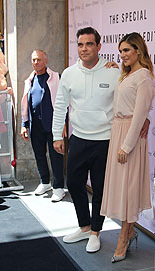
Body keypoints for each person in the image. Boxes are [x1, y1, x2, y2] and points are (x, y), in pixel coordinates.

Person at [52, 27, 150, 253]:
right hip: (78, 137)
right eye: (80, 44)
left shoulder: (115, 71)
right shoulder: (68, 73)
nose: (84, 49)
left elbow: (133, 98)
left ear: (98, 46)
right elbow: (60, 106)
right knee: (74, 183)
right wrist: (58, 134)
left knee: (100, 189)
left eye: (89, 44)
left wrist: (145, 118)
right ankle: (84, 227)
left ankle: (96, 231)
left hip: (107, 140)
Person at [100, 32, 154, 263]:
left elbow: (141, 114)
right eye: (120, 51)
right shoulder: (126, 75)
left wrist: (127, 146)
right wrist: (116, 69)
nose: (122, 55)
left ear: (138, 50)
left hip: (130, 136)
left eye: (127, 51)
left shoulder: (144, 76)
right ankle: (129, 232)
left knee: (129, 189)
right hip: (118, 131)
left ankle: (124, 237)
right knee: (122, 189)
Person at [21, 50, 66, 202]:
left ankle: (59, 188)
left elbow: (64, 102)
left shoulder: (55, 77)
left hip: (53, 125)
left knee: (56, 156)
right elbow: (25, 103)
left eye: (39, 60)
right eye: (33, 60)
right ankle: (45, 182)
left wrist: (64, 123)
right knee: (39, 154)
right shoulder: (30, 79)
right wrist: (24, 124)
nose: (36, 62)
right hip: (36, 125)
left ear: (45, 61)